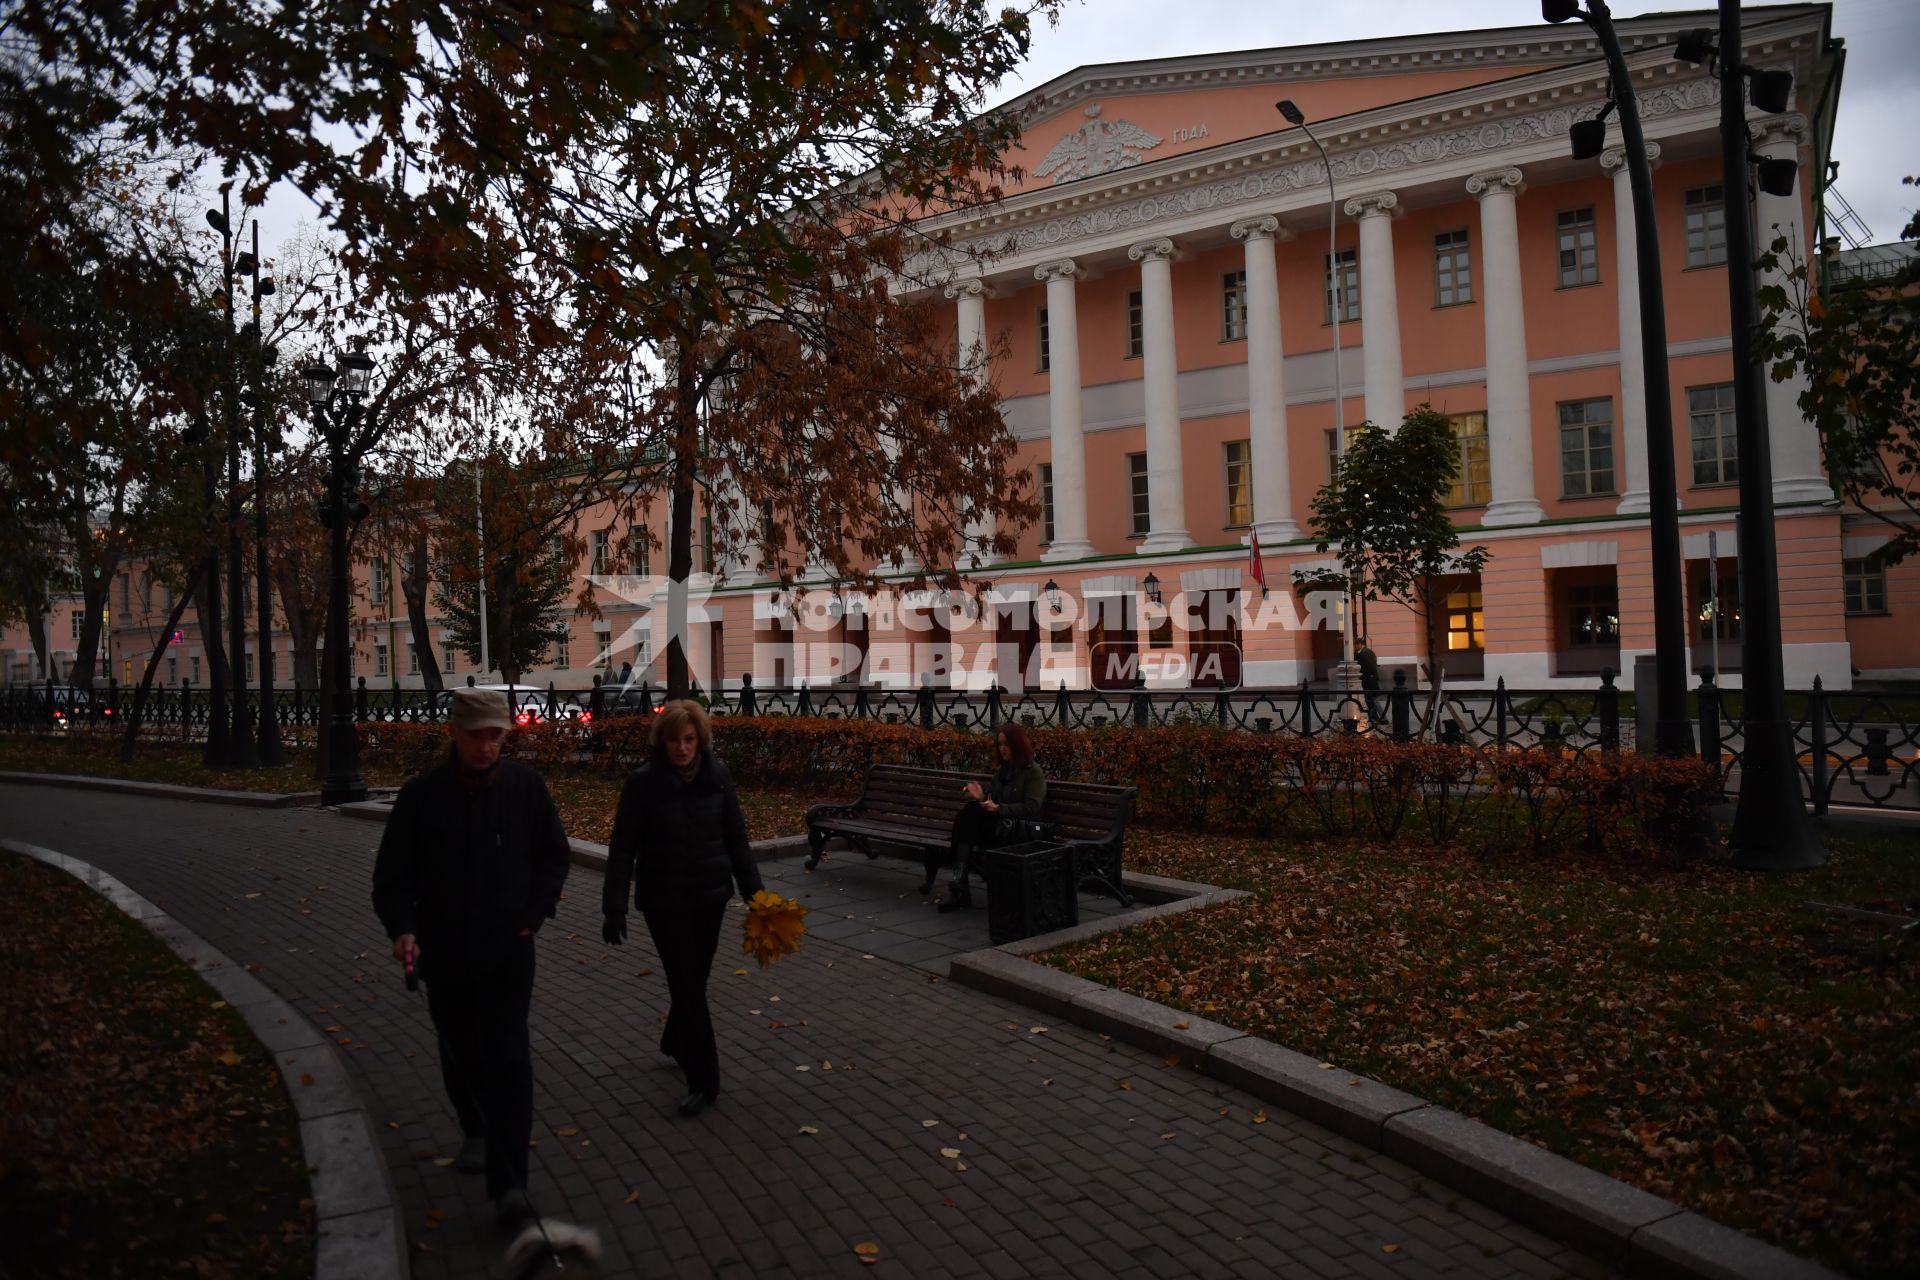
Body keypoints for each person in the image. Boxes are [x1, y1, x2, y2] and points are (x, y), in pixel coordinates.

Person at [371, 688, 571, 1228]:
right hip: (446, 954)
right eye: (478, 736)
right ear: (454, 735)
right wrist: (404, 930)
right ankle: (476, 1129)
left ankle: (511, 1186)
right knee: (461, 1052)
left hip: (509, 950)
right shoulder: (422, 797)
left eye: (496, 736)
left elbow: (554, 854)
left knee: (509, 1058)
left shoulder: (525, 788)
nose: (487, 747)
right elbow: (392, 879)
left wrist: (536, 911)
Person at [600, 699, 763, 1118]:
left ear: (701, 740)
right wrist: (613, 907)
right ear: (662, 741)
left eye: (689, 739)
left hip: (710, 898)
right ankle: (705, 1080)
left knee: (693, 983)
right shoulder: (643, 784)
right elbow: (623, 848)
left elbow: (737, 840)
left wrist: (758, 899)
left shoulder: (718, 777)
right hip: (664, 901)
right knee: (688, 986)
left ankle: (675, 1038)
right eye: (674, 739)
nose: (682, 748)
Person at [931, 723, 1047, 913]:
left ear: (1017, 745)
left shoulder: (1033, 771)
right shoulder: (1002, 771)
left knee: (967, 823)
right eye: (1000, 744)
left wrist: (999, 808)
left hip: (1017, 830)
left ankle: (959, 889)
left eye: (1007, 745)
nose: (1002, 749)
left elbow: (1032, 807)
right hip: (998, 826)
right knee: (969, 813)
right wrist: (982, 798)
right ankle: (958, 887)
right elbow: (992, 801)